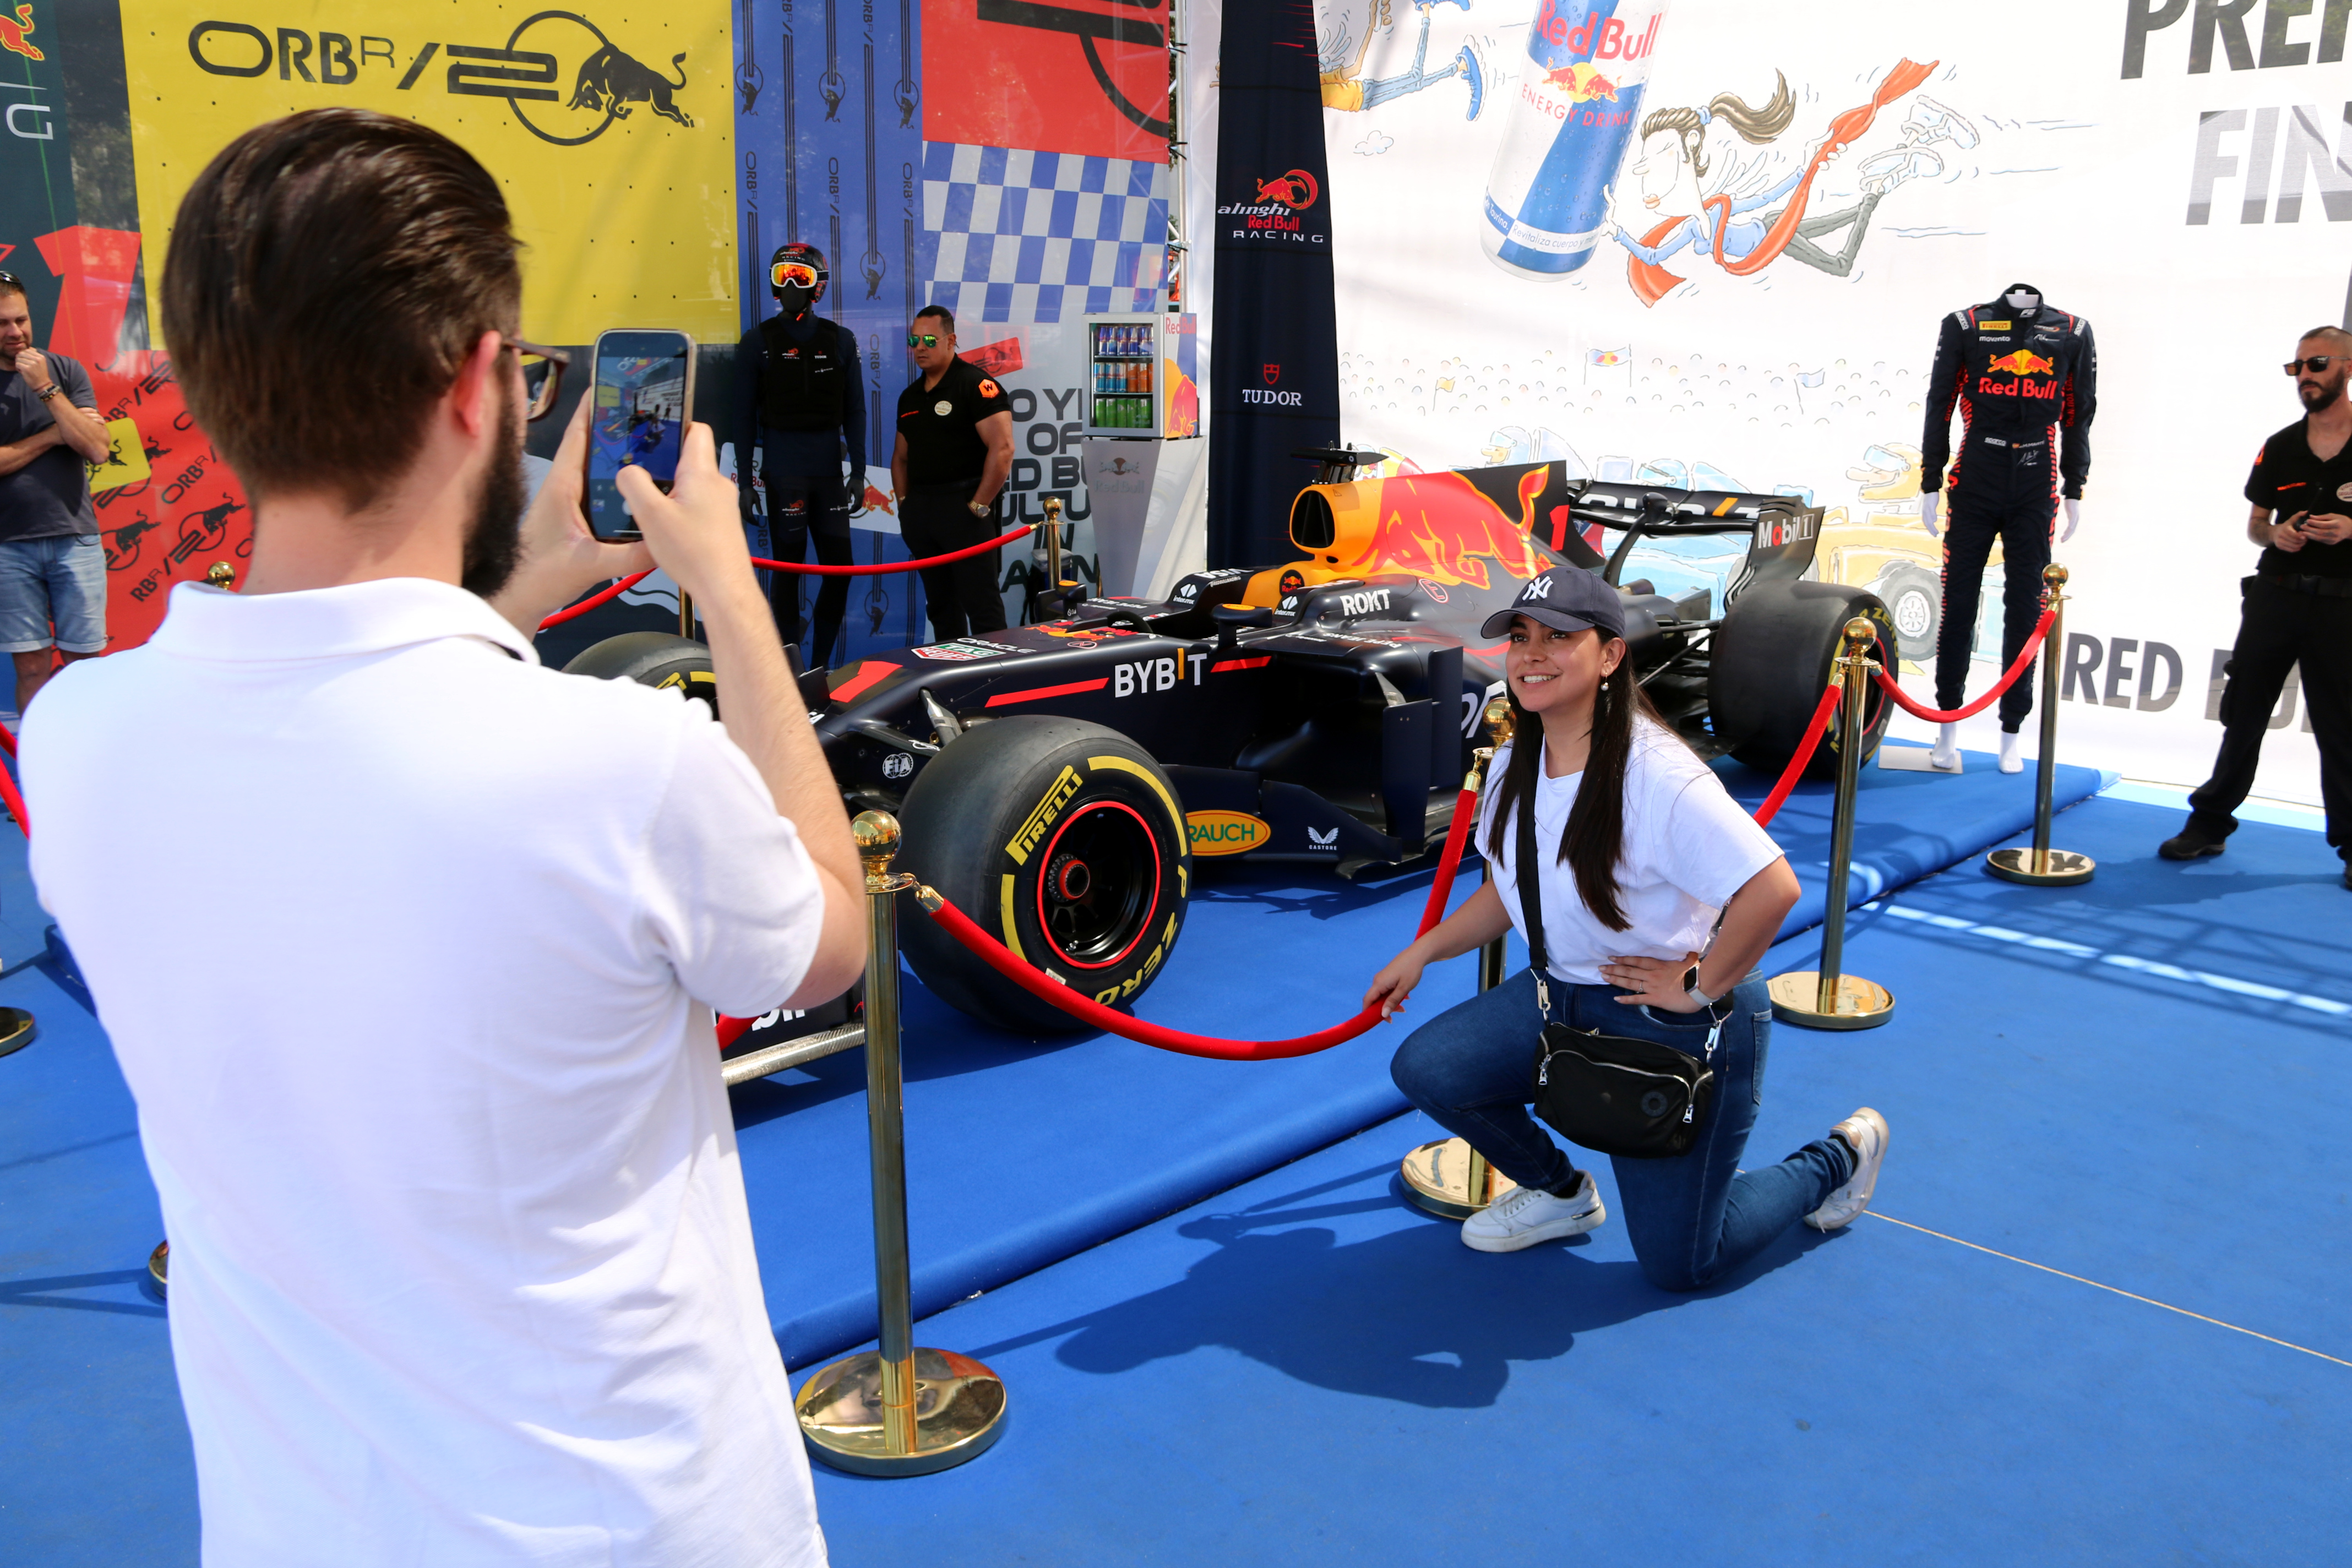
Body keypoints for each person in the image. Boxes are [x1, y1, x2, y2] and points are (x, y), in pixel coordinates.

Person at [21, 110, 863, 1566]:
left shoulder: (80, 743)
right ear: (486, 385)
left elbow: (356, 732)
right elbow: (825, 940)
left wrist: (522, 582)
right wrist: (728, 593)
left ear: (208, 393)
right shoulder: (622, 762)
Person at [1369, 566, 1888, 1282]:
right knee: (1428, 1068)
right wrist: (1424, 951)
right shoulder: (1516, 760)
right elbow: (1513, 892)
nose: (1532, 654)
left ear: (1610, 655)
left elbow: (1773, 890)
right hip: (1557, 1000)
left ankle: (1839, 1157)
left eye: (1559, 637)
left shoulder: (1659, 776)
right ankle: (1560, 1194)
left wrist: (1699, 987)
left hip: (1670, 1025)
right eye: (1521, 637)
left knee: (1682, 1265)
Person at [2161, 325, 2352, 885]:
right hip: (2276, 599)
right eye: (2297, 369)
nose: (2306, 378)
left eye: (2316, 364)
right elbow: (2255, 526)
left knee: (2342, 727)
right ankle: (2210, 825)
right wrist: (2278, 536)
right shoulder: (2281, 445)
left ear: (2345, 366)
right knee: (2242, 714)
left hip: (2342, 609)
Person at [1919, 282, 2098, 774]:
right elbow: (1941, 401)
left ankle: (2011, 731)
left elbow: (2078, 414)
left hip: (2036, 483)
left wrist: (2075, 485)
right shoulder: (1967, 324)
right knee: (1958, 601)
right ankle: (1946, 726)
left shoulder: (2072, 330)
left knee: (2026, 606)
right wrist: (1930, 477)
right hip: (1976, 475)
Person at [736, 242, 863, 669]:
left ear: (818, 286)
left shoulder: (841, 340)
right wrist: (744, 483)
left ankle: (821, 666)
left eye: (802, 277)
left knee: (840, 572)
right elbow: (742, 417)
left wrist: (859, 472)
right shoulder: (757, 342)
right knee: (788, 573)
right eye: (783, 275)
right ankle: (789, 669)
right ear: (773, 283)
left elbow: (856, 411)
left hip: (828, 474)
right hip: (783, 474)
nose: (791, 284)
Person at [0, 271, 113, 715]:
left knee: (86, 664)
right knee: (31, 669)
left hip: (75, 539)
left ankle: (92, 763)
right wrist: (50, 437)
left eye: (21, 320)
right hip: (8, 545)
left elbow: (98, 449)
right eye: (3, 324)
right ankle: (39, 770)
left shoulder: (64, 370)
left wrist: (46, 390)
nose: (15, 332)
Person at [891, 305, 1015, 642]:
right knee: (941, 607)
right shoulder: (910, 396)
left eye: (929, 339)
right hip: (923, 512)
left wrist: (978, 506)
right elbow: (900, 459)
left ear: (951, 341)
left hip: (965, 509)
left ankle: (1000, 685)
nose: (920, 347)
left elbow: (1003, 449)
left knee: (982, 606)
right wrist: (906, 506)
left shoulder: (976, 385)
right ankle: (952, 685)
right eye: (914, 339)